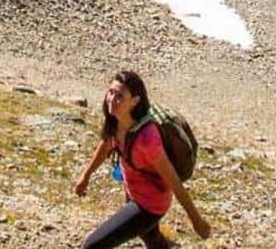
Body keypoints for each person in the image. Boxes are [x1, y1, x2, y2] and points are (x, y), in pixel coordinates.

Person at [72, 70, 212, 248]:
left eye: (119, 96)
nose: (111, 99)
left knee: (91, 246)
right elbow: (106, 144)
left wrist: (196, 220)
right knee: (152, 238)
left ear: (135, 101)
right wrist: (86, 175)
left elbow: (175, 183)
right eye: (111, 92)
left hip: (150, 205)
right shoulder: (115, 120)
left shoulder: (147, 139)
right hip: (133, 192)